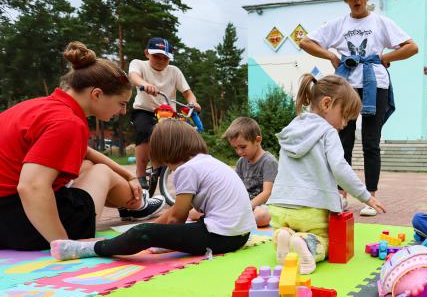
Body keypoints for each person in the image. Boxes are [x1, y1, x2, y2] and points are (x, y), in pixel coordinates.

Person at [0, 42, 164, 251]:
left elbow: (84, 151)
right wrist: (65, 246)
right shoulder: (67, 122)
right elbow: (31, 186)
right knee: (101, 171)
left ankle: (136, 204)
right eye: (121, 103)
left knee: (86, 165)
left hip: (6, 222)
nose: (123, 112)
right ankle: (137, 205)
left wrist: (129, 175)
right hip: (23, 225)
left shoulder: (39, 107)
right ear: (96, 94)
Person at [299, 0, 418, 217]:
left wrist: (385, 57)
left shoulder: (381, 22)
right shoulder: (339, 24)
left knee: (371, 142)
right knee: (343, 141)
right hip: (346, 87)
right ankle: (341, 195)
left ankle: (371, 196)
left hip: (376, 85)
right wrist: (331, 56)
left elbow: (411, 47)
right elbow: (305, 42)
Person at [50, 119, 255, 260]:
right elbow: (174, 214)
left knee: (143, 232)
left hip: (223, 237)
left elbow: (177, 218)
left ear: (165, 150)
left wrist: (153, 233)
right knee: (157, 230)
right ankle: (132, 240)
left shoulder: (187, 169)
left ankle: (92, 248)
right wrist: (162, 231)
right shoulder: (206, 162)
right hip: (240, 235)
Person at [267, 74, 386, 274]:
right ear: (326, 104)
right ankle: (308, 243)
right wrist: (365, 196)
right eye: (345, 116)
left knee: (285, 232)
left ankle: (283, 234)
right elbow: (340, 168)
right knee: (328, 240)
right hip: (310, 210)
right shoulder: (327, 132)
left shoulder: (291, 129)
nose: (344, 124)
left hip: (279, 207)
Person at [128, 37, 200, 190]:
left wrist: (193, 103)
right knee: (145, 132)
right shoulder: (138, 64)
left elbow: (188, 94)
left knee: (180, 138)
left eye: (165, 58)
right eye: (156, 56)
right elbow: (134, 77)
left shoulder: (174, 71)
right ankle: (140, 173)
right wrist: (145, 84)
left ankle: (168, 167)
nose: (161, 60)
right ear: (147, 53)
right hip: (145, 110)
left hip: (167, 113)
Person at [222, 117, 278, 227]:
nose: (239, 152)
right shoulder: (241, 162)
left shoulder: (268, 161)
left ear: (258, 140)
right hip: (246, 206)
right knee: (195, 212)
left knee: (261, 216)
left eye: (243, 147)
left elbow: (267, 193)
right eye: (235, 148)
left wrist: (246, 208)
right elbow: (235, 188)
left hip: (263, 206)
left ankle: (237, 221)